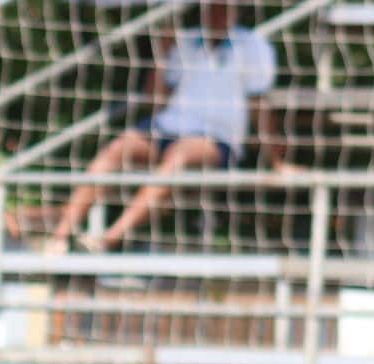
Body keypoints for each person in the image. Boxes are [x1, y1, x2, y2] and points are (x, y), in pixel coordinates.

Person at [46, 2, 293, 253]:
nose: (217, 11)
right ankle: (60, 237)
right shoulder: (185, 41)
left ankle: (108, 239)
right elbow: (154, 100)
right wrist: (162, 54)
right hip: (168, 127)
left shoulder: (253, 46)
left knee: (179, 156)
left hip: (217, 138)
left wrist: (276, 160)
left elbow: (260, 105)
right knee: (117, 149)